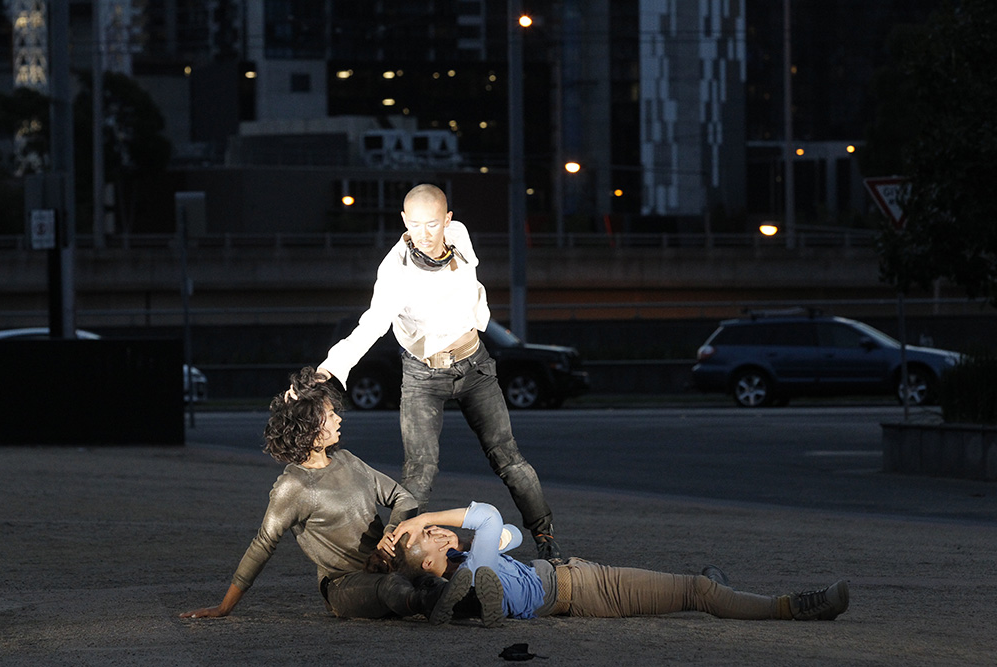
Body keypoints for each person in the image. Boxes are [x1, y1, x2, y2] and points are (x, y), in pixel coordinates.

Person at [313, 183, 561, 561]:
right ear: (403, 221)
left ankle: (545, 536)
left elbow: (470, 276)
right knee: (420, 470)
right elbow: (372, 324)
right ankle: (396, 556)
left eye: (432, 225)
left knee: (507, 457)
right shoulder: (395, 271)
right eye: (414, 225)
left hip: (475, 365)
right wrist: (330, 367)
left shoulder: (459, 236)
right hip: (422, 376)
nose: (424, 235)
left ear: (448, 220)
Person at [180, 367, 472, 624]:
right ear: (311, 429)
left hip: (389, 566)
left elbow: (403, 498)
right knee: (394, 586)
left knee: (431, 572)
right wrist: (224, 607)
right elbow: (262, 545)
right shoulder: (293, 486)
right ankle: (433, 602)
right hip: (345, 586)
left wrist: (391, 532)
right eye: (330, 415)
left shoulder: (348, 460)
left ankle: (476, 603)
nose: (338, 419)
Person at [382, 502, 851, 624]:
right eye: (428, 536)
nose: (435, 529)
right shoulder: (474, 566)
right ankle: (796, 606)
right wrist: (422, 517)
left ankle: (716, 584)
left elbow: (511, 534)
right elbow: (489, 515)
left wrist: (447, 538)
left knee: (702, 586)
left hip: (566, 584)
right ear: (428, 564)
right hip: (585, 586)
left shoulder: (474, 556)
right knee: (699, 592)